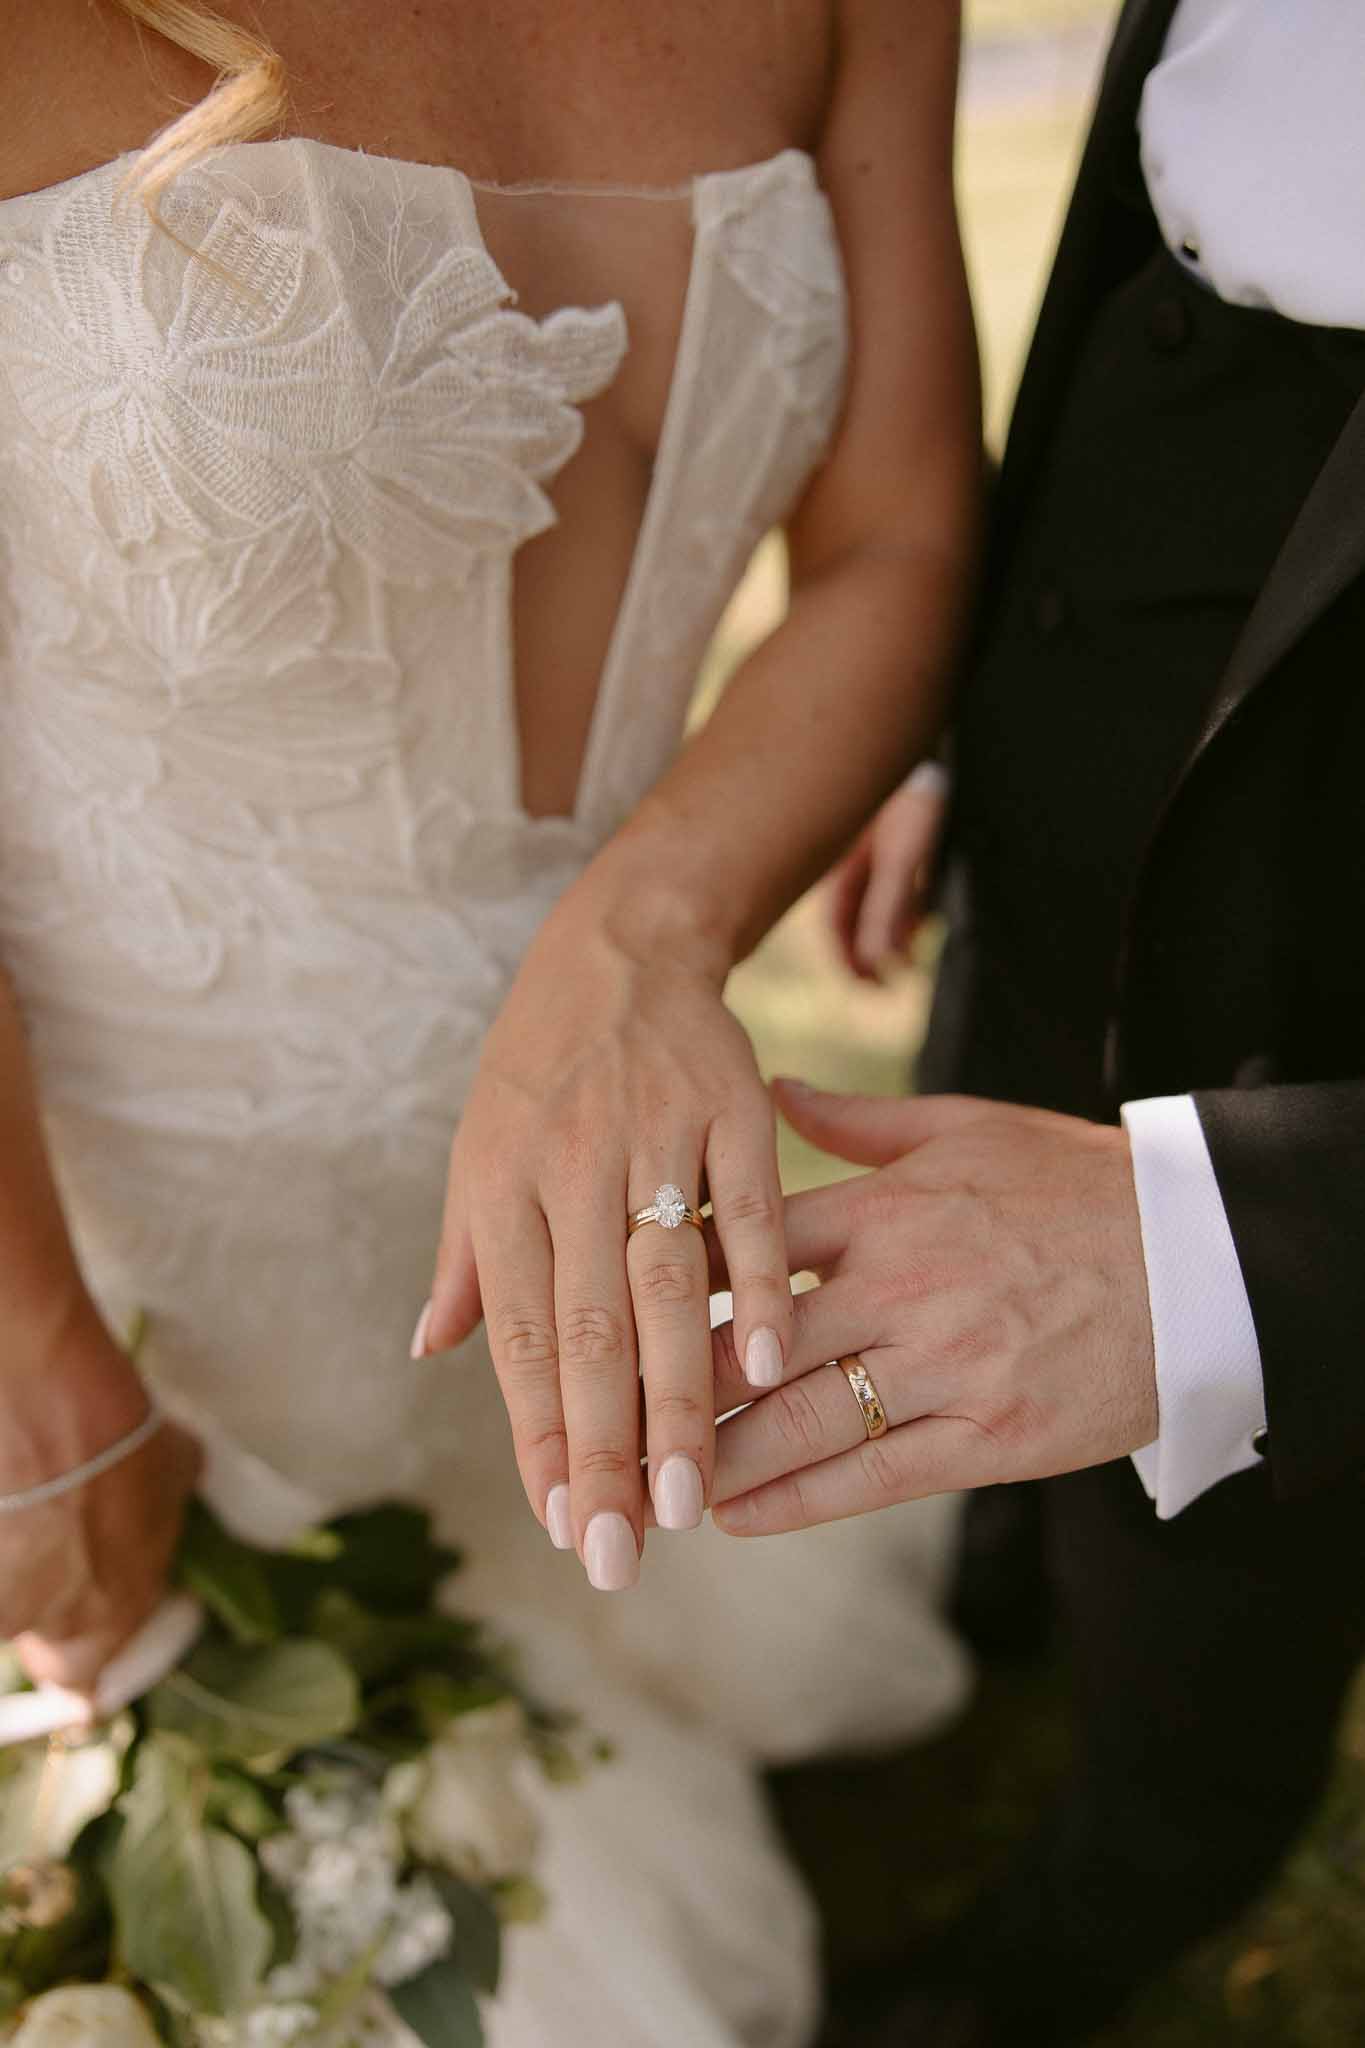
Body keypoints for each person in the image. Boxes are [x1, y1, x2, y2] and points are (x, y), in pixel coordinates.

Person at [0, 0, 980, 2040]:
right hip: (105, 1192)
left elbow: (891, 534)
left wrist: (641, 935)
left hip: (592, 1138)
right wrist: (31, 1351)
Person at [707, 1, 1365, 2040]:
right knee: (979, 1166)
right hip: (1053, 794)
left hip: (1318, 986)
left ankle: (1108, 1888)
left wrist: (1212, 1242)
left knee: (1224, 1550)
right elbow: (1123, 264)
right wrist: (951, 733)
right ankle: (984, 1602)